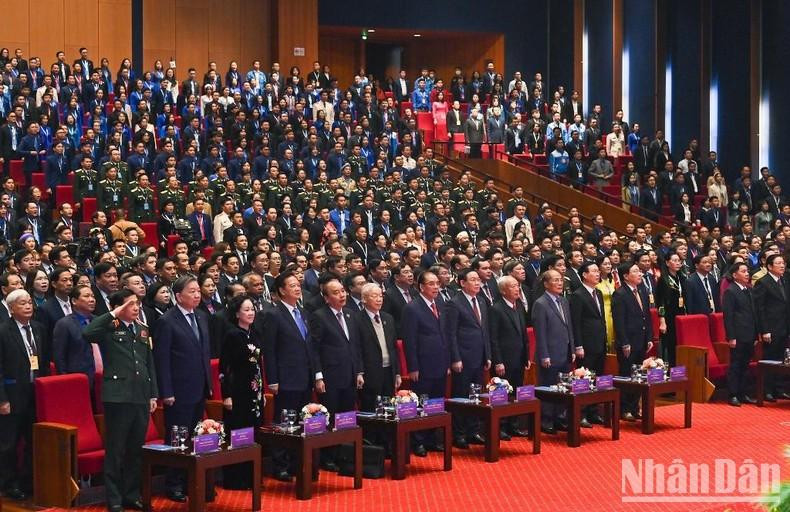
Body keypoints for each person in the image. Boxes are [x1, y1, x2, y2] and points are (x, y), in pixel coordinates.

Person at [83, 289, 158, 512]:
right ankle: (114, 498)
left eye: (137, 304)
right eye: (130, 304)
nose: (136, 308)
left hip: (140, 396)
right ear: (118, 307)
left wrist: (153, 393)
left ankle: (131, 494)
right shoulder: (108, 327)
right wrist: (113, 313)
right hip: (118, 397)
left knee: (135, 449)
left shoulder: (143, 330)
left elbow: (149, 364)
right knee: (116, 450)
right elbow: (87, 333)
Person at [153, 276, 212, 503]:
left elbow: (204, 354)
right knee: (177, 437)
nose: (197, 294)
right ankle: (174, 484)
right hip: (177, 390)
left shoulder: (202, 317)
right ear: (179, 296)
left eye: (198, 290)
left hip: (199, 388)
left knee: (195, 437)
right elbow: (162, 359)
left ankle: (192, 481)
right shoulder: (167, 321)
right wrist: (166, 391)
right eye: (192, 291)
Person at [261, 270, 316, 482]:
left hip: (305, 375)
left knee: (302, 420)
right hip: (285, 377)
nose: (297, 287)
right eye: (292, 285)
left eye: (297, 284)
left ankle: (297, 462)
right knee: (284, 422)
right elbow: (270, 349)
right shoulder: (273, 314)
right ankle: (280, 464)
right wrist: (272, 379)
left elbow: (308, 345)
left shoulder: (302, 311)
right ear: (282, 290)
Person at [309, 274, 364, 470]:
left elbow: (355, 346)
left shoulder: (350, 314)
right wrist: (318, 375)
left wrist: (359, 372)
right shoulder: (319, 316)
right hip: (330, 376)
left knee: (346, 416)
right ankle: (328, 455)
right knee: (330, 416)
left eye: (342, 291)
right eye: (336, 293)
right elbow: (314, 349)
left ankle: (344, 453)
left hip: (349, 374)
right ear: (326, 297)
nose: (341, 295)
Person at [0, 290, 51, 501]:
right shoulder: (3, 331)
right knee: (9, 444)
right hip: (12, 395)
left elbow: (45, 362)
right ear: (12, 309)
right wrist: (2, 399)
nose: (28, 306)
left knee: (34, 441)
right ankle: (9, 484)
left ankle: (28, 481)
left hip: (35, 393)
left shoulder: (38, 329)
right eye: (23, 303)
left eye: (30, 302)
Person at [401, 270, 450, 456]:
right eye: (431, 283)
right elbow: (409, 340)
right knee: (422, 402)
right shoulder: (412, 308)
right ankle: (417, 441)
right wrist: (413, 367)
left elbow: (444, 334)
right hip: (422, 365)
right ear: (421, 286)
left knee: (436, 403)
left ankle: (431, 438)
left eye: (437, 283)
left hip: (439, 362)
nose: (436, 287)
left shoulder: (440, 304)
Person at [219, 294, 264, 489]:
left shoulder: (254, 333)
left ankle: (251, 476)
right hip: (238, 391)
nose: (251, 312)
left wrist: (261, 393)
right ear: (237, 313)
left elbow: (259, 365)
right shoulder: (232, 334)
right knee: (238, 433)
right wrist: (226, 394)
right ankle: (235, 478)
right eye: (246, 309)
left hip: (254, 391)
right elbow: (224, 368)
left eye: (252, 309)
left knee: (253, 433)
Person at [446, 268, 491, 447]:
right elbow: (451, 334)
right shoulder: (454, 303)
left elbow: (484, 330)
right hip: (463, 358)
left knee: (476, 395)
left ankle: (473, 430)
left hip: (479, 357)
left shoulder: (481, 301)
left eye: (478, 280)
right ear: (462, 282)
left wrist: (488, 355)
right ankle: (459, 434)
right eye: (473, 280)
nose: (477, 282)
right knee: (461, 396)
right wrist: (455, 358)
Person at [533, 270, 575, 434]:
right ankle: (546, 420)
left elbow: (568, 326)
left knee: (562, 387)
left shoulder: (563, 301)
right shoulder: (541, 303)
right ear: (546, 284)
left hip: (564, 351)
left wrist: (572, 347)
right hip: (549, 354)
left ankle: (559, 417)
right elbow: (540, 332)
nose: (560, 283)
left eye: (561, 280)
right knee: (548, 387)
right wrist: (544, 354)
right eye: (556, 280)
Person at [488, 275, 530, 437]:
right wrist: (498, 361)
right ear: (503, 290)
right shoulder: (496, 309)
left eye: (517, 286)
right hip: (504, 360)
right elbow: (494, 337)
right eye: (513, 286)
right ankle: (501, 427)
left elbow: (523, 333)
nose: (517, 289)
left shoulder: (518, 305)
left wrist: (526, 356)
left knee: (515, 393)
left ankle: (513, 424)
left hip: (519, 357)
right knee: (501, 394)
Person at [612, 262, 653, 421]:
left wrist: (649, 337)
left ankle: (635, 407)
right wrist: (624, 342)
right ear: (626, 276)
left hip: (641, 340)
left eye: (640, 271)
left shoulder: (642, 290)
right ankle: (624, 409)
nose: (640, 274)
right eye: (636, 271)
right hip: (628, 343)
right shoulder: (620, 294)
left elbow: (647, 316)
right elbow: (619, 321)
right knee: (627, 375)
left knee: (639, 375)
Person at [569, 261, 606, 427]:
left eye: (599, 271)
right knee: (584, 379)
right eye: (594, 271)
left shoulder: (597, 292)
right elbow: (575, 323)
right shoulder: (578, 295)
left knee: (596, 378)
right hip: (586, 344)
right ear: (584, 274)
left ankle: (593, 411)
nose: (598, 274)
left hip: (599, 342)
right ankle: (581, 413)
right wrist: (578, 345)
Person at [356, 283, 401, 412]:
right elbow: (357, 348)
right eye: (374, 296)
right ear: (364, 299)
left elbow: (394, 348)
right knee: (371, 409)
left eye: (380, 296)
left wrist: (397, 373)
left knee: (389, 410)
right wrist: (359, 372)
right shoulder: (357, 319)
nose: (379, 299)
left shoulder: (388, 318)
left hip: (388, 371)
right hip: (370, 373)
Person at [752, 254, 790, 401]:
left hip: (784, 327)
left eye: (783, 263)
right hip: (771, 328)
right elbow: (760, 309)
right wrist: (764, 330)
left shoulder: (785, 281)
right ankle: (767, 390)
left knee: (782, 359)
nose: (782, 266)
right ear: (769, 266)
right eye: (779, 263)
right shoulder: (763, 282)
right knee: (770, 359)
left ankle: (779, 389)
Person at [723, 262, 759, 406]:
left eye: (747, 271)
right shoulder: (730, 291)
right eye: (743, 271)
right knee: (736, 365)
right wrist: (731, 337)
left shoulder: (749, 290)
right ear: (734, 275)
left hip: (749, 334)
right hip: (737, 335)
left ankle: (743, 393)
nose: (747, 274)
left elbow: (754, 314)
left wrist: (756, 335)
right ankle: (733, 394)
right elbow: (728, 316)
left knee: (745, 365)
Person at [52, 285, 97, 388]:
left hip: (102, 379)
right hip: (78, 379)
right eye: (87, 296)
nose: (91, 300)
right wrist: (66, 380)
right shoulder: (64, 324)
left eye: (93, 296)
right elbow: (59, 357)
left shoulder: (98, 321)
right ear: (74, 301)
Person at [655, 252, 687, 366]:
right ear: (668, 263)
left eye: (679, 261)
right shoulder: (663, 280)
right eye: (674, 260)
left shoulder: (682, 277)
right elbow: (660, 303)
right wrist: (662, 321)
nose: (678, 263)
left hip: (681, 316)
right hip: (669, 317)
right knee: (671, 345)